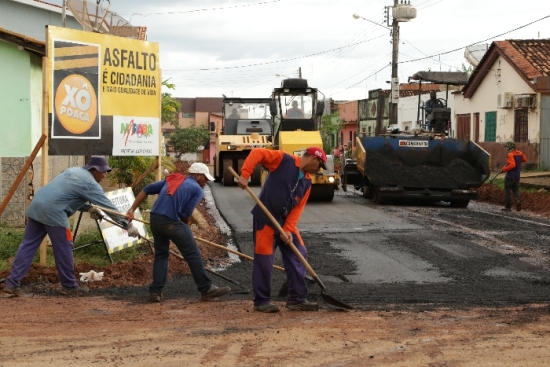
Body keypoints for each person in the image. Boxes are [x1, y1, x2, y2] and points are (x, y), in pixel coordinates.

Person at [3, 156, 138, 297]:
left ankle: (12, 284)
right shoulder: (91, 184)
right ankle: (69, 286)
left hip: (37, 205)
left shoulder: (72, 170)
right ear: (93, 169)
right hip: (54, 212)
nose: (105, 175)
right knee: (64, 246)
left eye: (106, 172)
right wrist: (127, 225)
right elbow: (107, 206)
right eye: (103, 171)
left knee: (28, 245)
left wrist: (89, 208)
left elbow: (66, 196)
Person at [236, 146, 327, 313]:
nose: (318, 170)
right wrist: (245, 175)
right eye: (320, 166)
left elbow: (297, 209)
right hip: (266, 219)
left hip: (286, 224)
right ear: (314, 159)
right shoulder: (284, 160)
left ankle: (297, 298)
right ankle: (261, 301)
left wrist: (287, 229)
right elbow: (257, 153)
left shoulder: (307, 182)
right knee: (264, 261)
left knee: (299, 253)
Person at [125, 162, 231, 303]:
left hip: (155, 219)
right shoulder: (197, 190)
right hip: (171, 222)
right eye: (205, 178)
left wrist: (131, 210)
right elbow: (185, 214)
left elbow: (147, 189)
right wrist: (186, 224)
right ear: (197, 175)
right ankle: (206, 289)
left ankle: (156, 292)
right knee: (193, 254)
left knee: (161, 254)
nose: (206, 182)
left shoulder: (173, 179)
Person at [501, 141, 527, 212]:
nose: (506, 149)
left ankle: (508, 208)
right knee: (516, 190)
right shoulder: (519, 153)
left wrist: (504, 169)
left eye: (506, 147)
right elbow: (524, 159)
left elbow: (512, 165)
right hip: (517, 176)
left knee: (507, 192)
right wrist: (518, 160)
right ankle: (518, 200)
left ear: (509, 147)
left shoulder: (510, 154)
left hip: (510, 176)